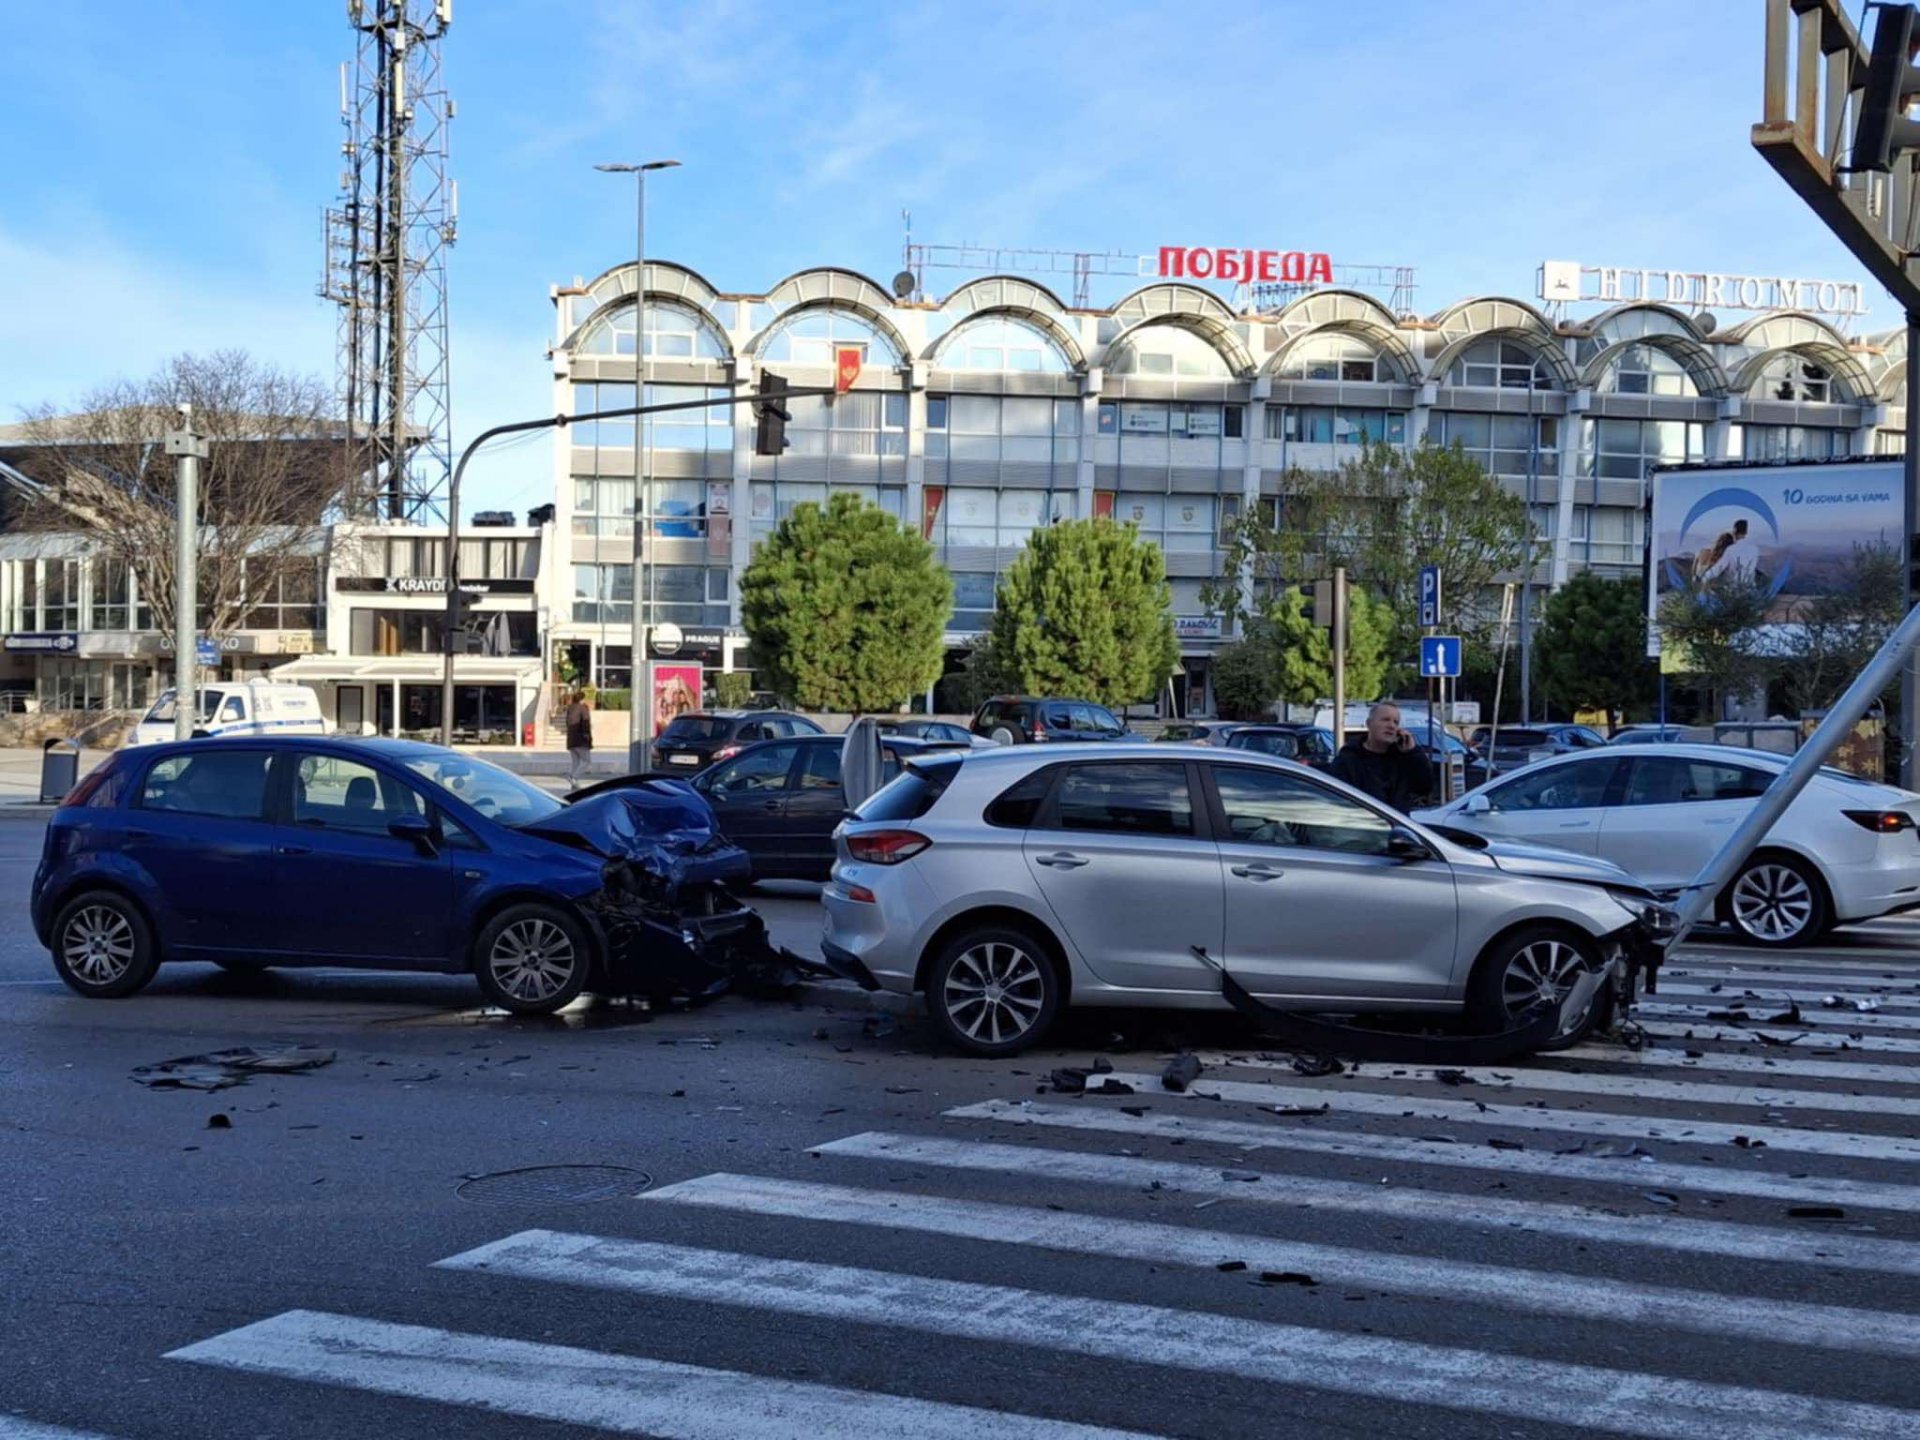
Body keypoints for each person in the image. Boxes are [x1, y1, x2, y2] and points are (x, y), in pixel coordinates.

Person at [1329, 701, 1435, 812]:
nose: (1391, 726)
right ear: (1369, 724)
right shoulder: (1348, 760)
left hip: (1396, 825)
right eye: (1385, 720)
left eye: (1396, 722)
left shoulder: (1402, 759)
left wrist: (1413, 752)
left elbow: (1425, 787)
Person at [565, 689, 593, 791]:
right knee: (587, 761)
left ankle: (574, 785)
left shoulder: (570, 708)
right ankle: (573, 777)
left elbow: (567, 723)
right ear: (582, 699)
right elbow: (586, 723)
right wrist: (587, 737)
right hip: (581, 740)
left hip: (571, 740)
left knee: (575, 762)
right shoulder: (583, 708)